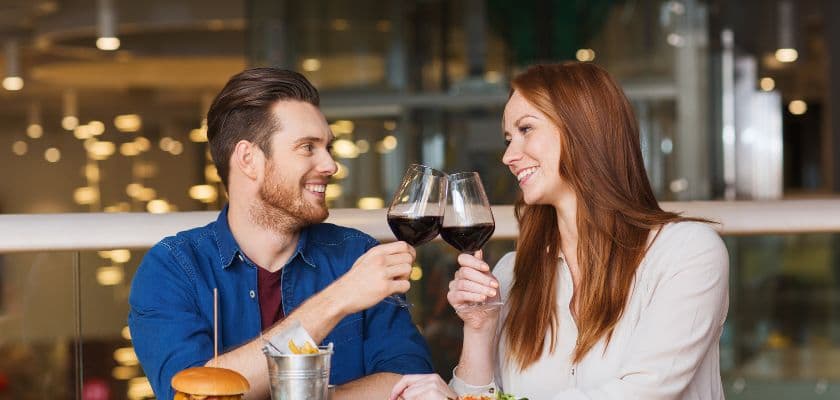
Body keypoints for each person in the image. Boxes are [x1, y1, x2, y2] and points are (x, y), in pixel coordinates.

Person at [389, 62, 729, 400]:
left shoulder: (686, 252)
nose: (508, 156)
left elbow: (643, 391)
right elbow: (479, 397)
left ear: (584, 130)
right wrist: (479, 327)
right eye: (508, 138)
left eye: (526, 130)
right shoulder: (513, 273)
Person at [128, 67, 433, 400]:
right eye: (307, 147)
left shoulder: (356, 255)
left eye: (327, 147)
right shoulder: (174, 268)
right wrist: (337, 300)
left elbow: (411, 383)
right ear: (249, 159)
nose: (330, 165)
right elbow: (190, 395)